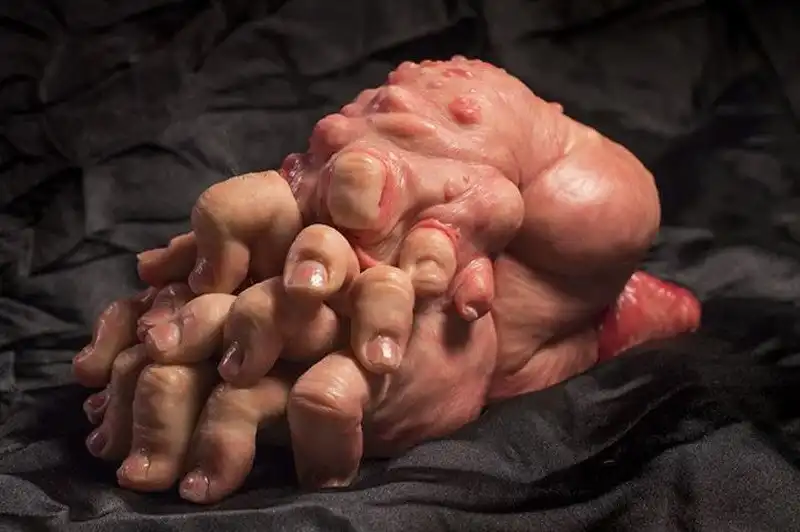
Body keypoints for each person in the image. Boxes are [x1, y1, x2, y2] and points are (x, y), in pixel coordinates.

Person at [72, 56, 701, 504]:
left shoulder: (578, 239)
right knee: (299, 305)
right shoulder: (544, 302)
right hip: (431, 332)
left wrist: (417, 142)